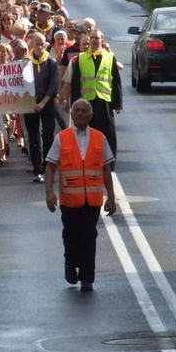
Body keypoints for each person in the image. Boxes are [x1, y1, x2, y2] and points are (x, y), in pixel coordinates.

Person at [44, 98, 116, 292]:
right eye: (76, 110)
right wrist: (49, 193)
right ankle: (70, 264)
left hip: (92, 201)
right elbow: (50, 167)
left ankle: (87, 277)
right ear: (72, 114)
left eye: (84, 111)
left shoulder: (99, 137)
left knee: (89, 236)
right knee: (71, 235)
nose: (80, 114)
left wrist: (111, 197)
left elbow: (106, 169)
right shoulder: (62, 138)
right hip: (69, 200)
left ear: (90, 116)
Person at [66, 29, 122, 169]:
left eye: (97, 38)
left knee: (108, 132)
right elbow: (75, 83)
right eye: (92, 38)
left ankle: (109, 163)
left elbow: (116, 82)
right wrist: (74, 105)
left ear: (102, 40)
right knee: (87, 132)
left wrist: (118, 103)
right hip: (87, 101)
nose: (94, 40)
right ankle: (88, 161)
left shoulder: (109, 57)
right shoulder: (81, 58)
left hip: (104, 101)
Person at [23, 32, 58, 183]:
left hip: (46, 102)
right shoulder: (25, 62)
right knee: (33, 137)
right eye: (37, 44)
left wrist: (43, 102)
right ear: (31, 44)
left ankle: (48, 167)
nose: (39, 47)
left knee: (48, 135)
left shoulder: (51, 62)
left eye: (42, 44)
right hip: (30, 103)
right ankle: (37, 169)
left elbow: (53, 85)